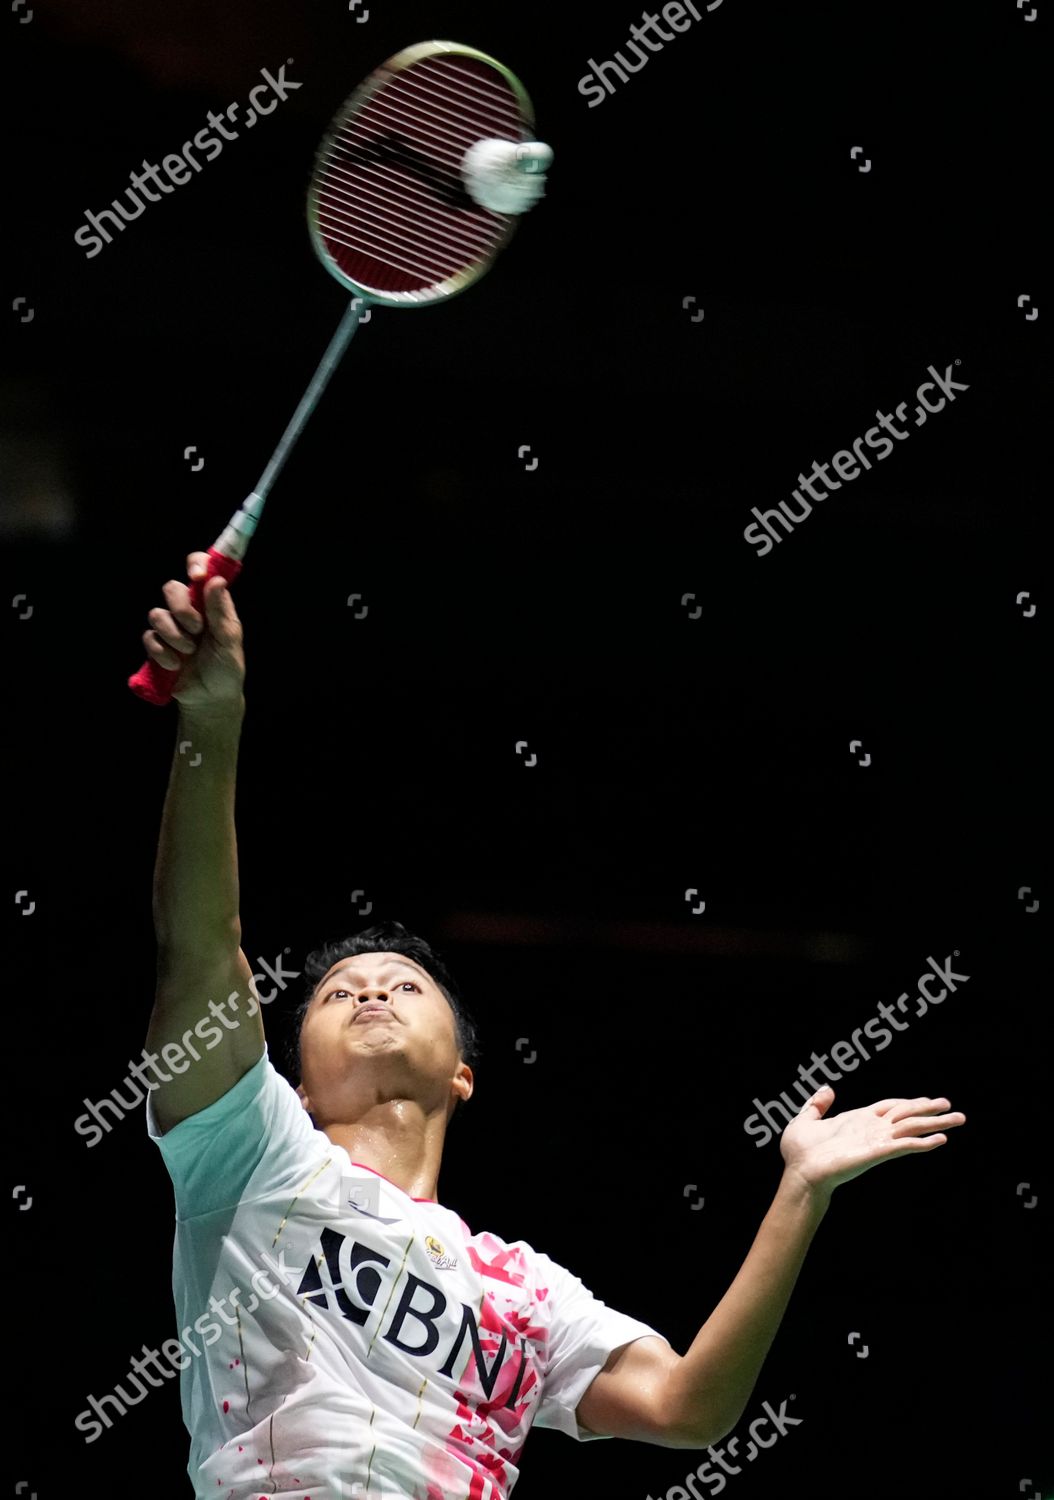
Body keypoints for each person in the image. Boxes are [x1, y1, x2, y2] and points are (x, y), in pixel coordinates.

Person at [142, 552, 966, 1499]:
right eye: (338, 993)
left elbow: (688, 1407)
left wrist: (801, 1189)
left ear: (463, 1073)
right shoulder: (253, 1159)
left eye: (405, 986)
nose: (370, 992)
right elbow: (201, 945)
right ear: (291, 1079)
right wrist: (212, 721)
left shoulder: (526, 1293)